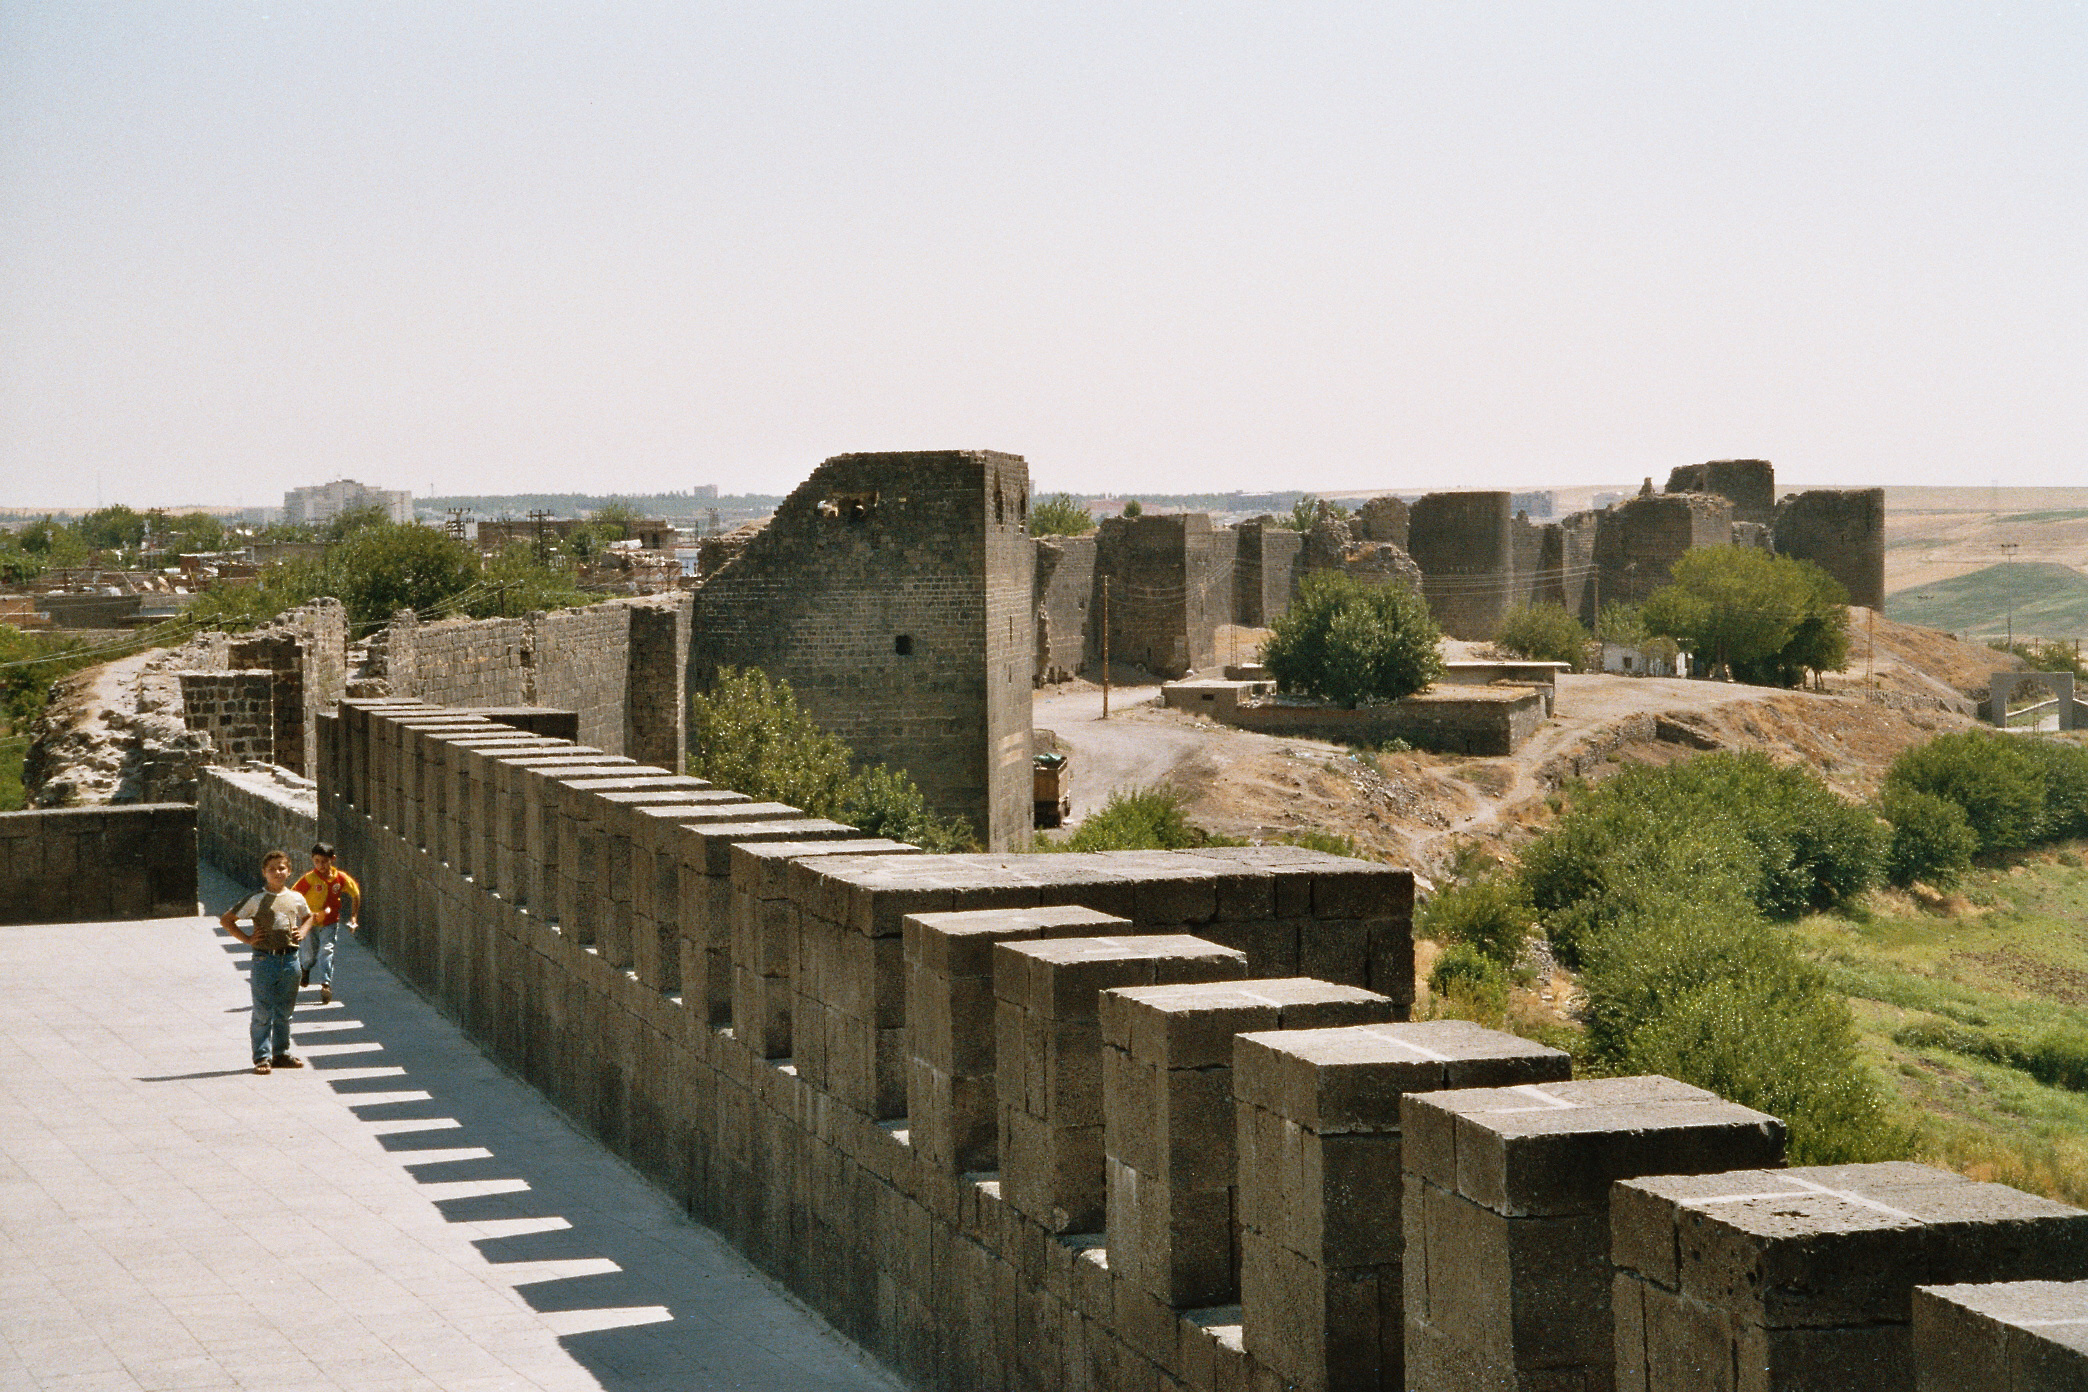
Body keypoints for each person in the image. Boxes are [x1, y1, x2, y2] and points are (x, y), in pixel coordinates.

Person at [221, 849, 314, 1075]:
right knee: (263, 1011)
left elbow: (309, 916)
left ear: (289, 871)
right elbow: (227, 920)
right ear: (264, 872)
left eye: (281, 868)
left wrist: (302, 931)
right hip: (265, 959)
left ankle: (280, 1053)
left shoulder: (295, 898)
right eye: (272, 869)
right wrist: (247, 939)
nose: (277, 872)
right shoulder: (257, 900)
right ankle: (262, 1057)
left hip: (291, 959)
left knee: (284, 1010)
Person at [293, 841, 361, 1005]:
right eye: (317, 861)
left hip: (330, 922)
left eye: (324, 861)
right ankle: (305, 969)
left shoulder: (340, 879)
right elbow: (293, 896)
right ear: (312, 860)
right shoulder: (310, 879)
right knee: (309, 953)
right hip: (310, 922)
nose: (320, 865)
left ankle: (325, 984)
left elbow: (355, 894)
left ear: (333, 859)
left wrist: (353, 917)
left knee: (326, 951)